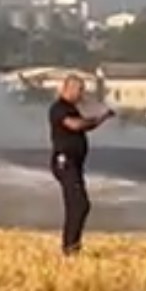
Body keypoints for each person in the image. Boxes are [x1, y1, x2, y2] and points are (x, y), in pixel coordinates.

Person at [48, 76, 115, 257]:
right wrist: (97, 118)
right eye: (78, 90)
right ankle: (70, 247)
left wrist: (102, 116)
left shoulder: (72, 108)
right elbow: (76, 125)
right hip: (64, 162)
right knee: (78, 204)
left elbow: (86, 125)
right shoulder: (59, 108)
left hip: (75, 164)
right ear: (67, 89)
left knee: (79, 205)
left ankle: (72, 245)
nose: (81, 94)